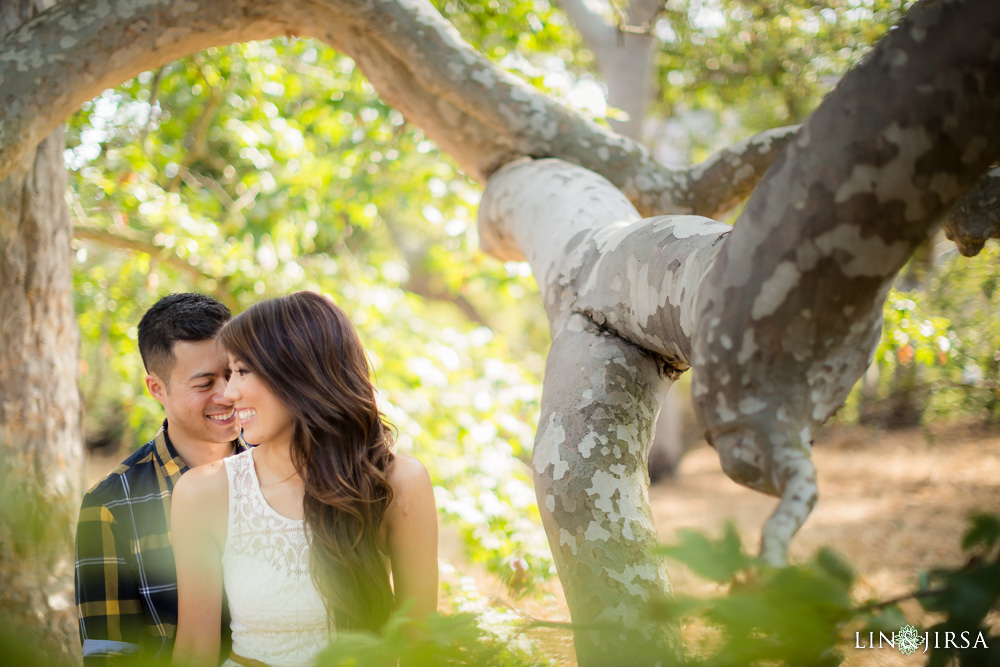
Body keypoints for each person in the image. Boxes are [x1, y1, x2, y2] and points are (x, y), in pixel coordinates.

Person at [171, 291, 439, 667]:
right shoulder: (204, 492)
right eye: (229, 374)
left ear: (299, 375)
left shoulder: (397, 482)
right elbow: (193, 651)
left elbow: (419, 643)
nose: (230, 393)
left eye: (243, 371)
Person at [75, 293, 249, 665]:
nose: (228, 395)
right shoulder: (110, 505)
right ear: (157, 389)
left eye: (233, 374)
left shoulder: (281, 470)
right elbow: (111, 654)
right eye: (205, 384)